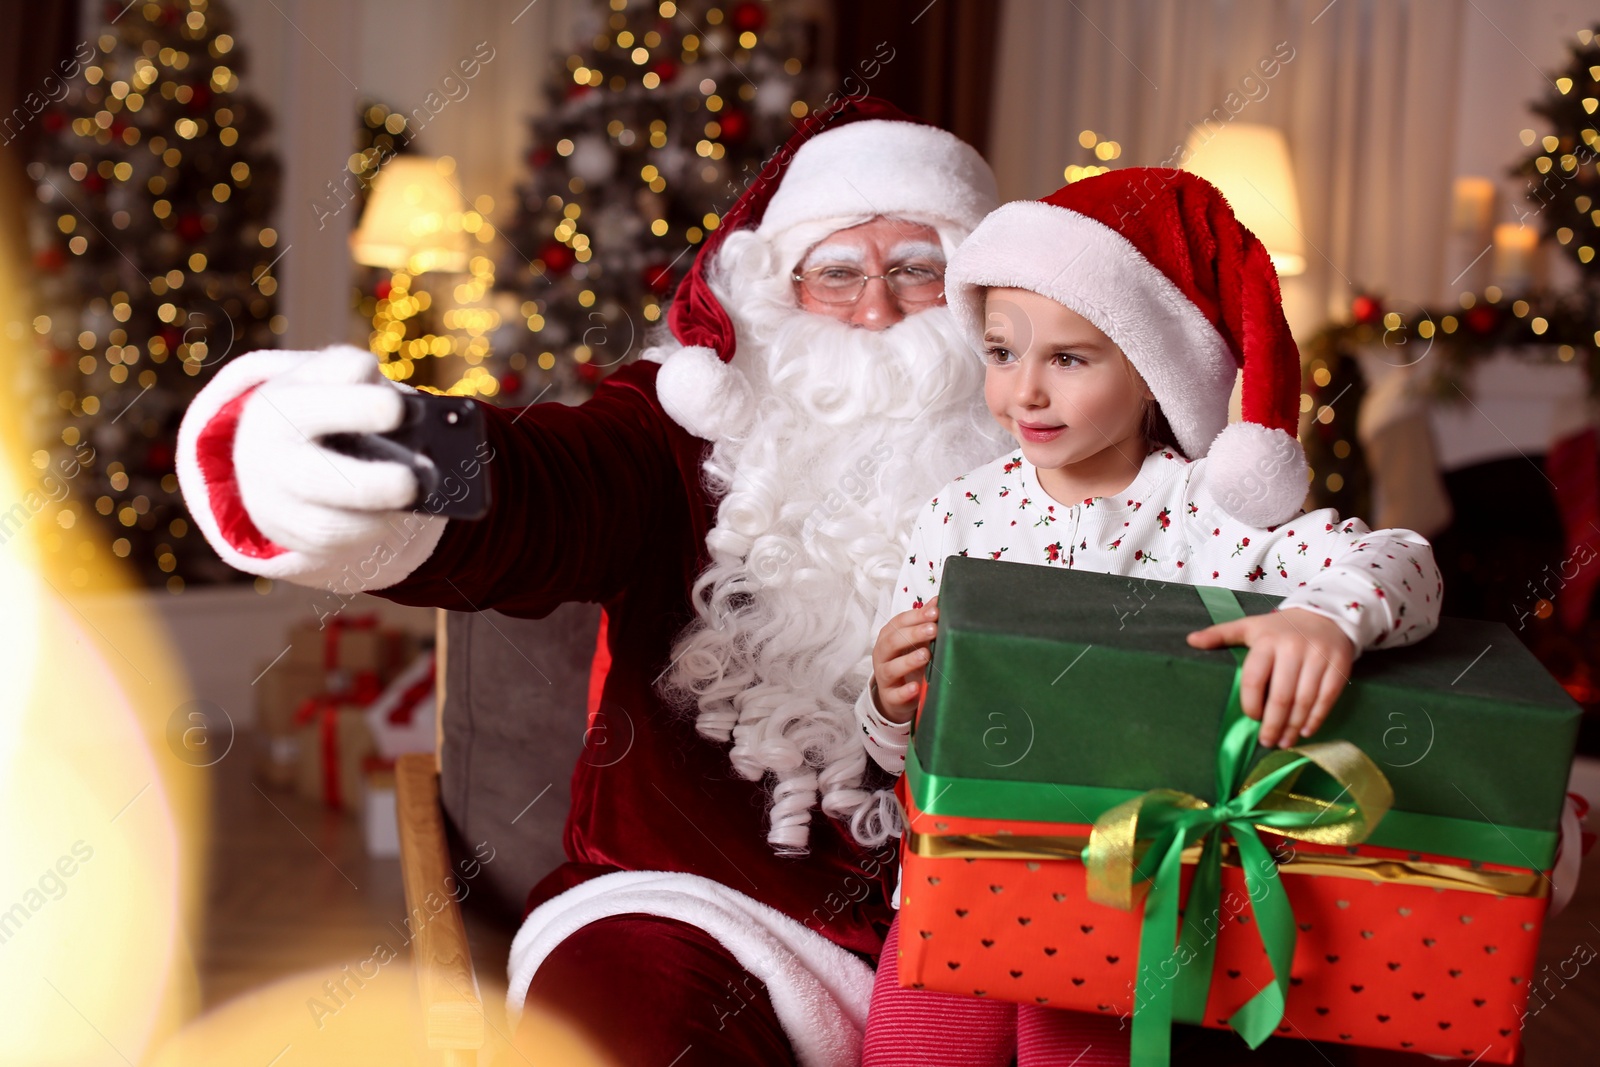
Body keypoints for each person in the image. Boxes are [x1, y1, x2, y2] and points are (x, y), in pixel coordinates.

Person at [174, 97, 1013, 1065]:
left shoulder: (1063, 460)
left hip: (993, 942)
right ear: (776, 292)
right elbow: (541, 487)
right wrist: (381, 465)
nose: (876, 309)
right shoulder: (680, 435)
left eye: (917, 269)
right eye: (836, 273)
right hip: (697, 913)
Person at [854, 169, 1445, 1066]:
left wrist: (1328, 620)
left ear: (1149, 374)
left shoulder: (1211, 511)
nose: (1027, 391)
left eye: (1069, 358)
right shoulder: (958, 515)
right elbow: (901, 753)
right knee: (913, 1049)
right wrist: (888, 703)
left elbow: (1411, 564)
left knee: (1070, 1044)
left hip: (1126, 898)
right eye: (1004, 352)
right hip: (960, 880)